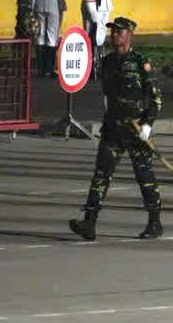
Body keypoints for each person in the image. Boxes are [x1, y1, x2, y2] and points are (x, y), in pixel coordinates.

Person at [68, 17, 163, 241]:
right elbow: (108, 95)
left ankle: (154, 222)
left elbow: (156, 99)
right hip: (113, 128)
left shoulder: (141, 62)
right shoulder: (108, 61)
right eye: (113, 31)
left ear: (130, 35)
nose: (115, 35)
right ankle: (89, 223)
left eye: (120, 32)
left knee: (144, 176)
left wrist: (147, 125)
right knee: (101, 175)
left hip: (136, 130)